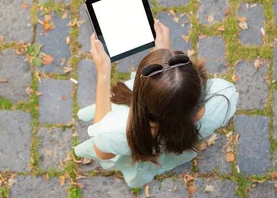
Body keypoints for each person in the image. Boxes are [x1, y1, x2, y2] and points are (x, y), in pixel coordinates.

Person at [74, 20, 239, 188]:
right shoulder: (223, 96)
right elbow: (175, 98)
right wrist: (164, 56)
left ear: (140, 96)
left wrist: (103, 73)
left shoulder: (118, 130)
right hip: (175, 148)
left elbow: (102, 152)